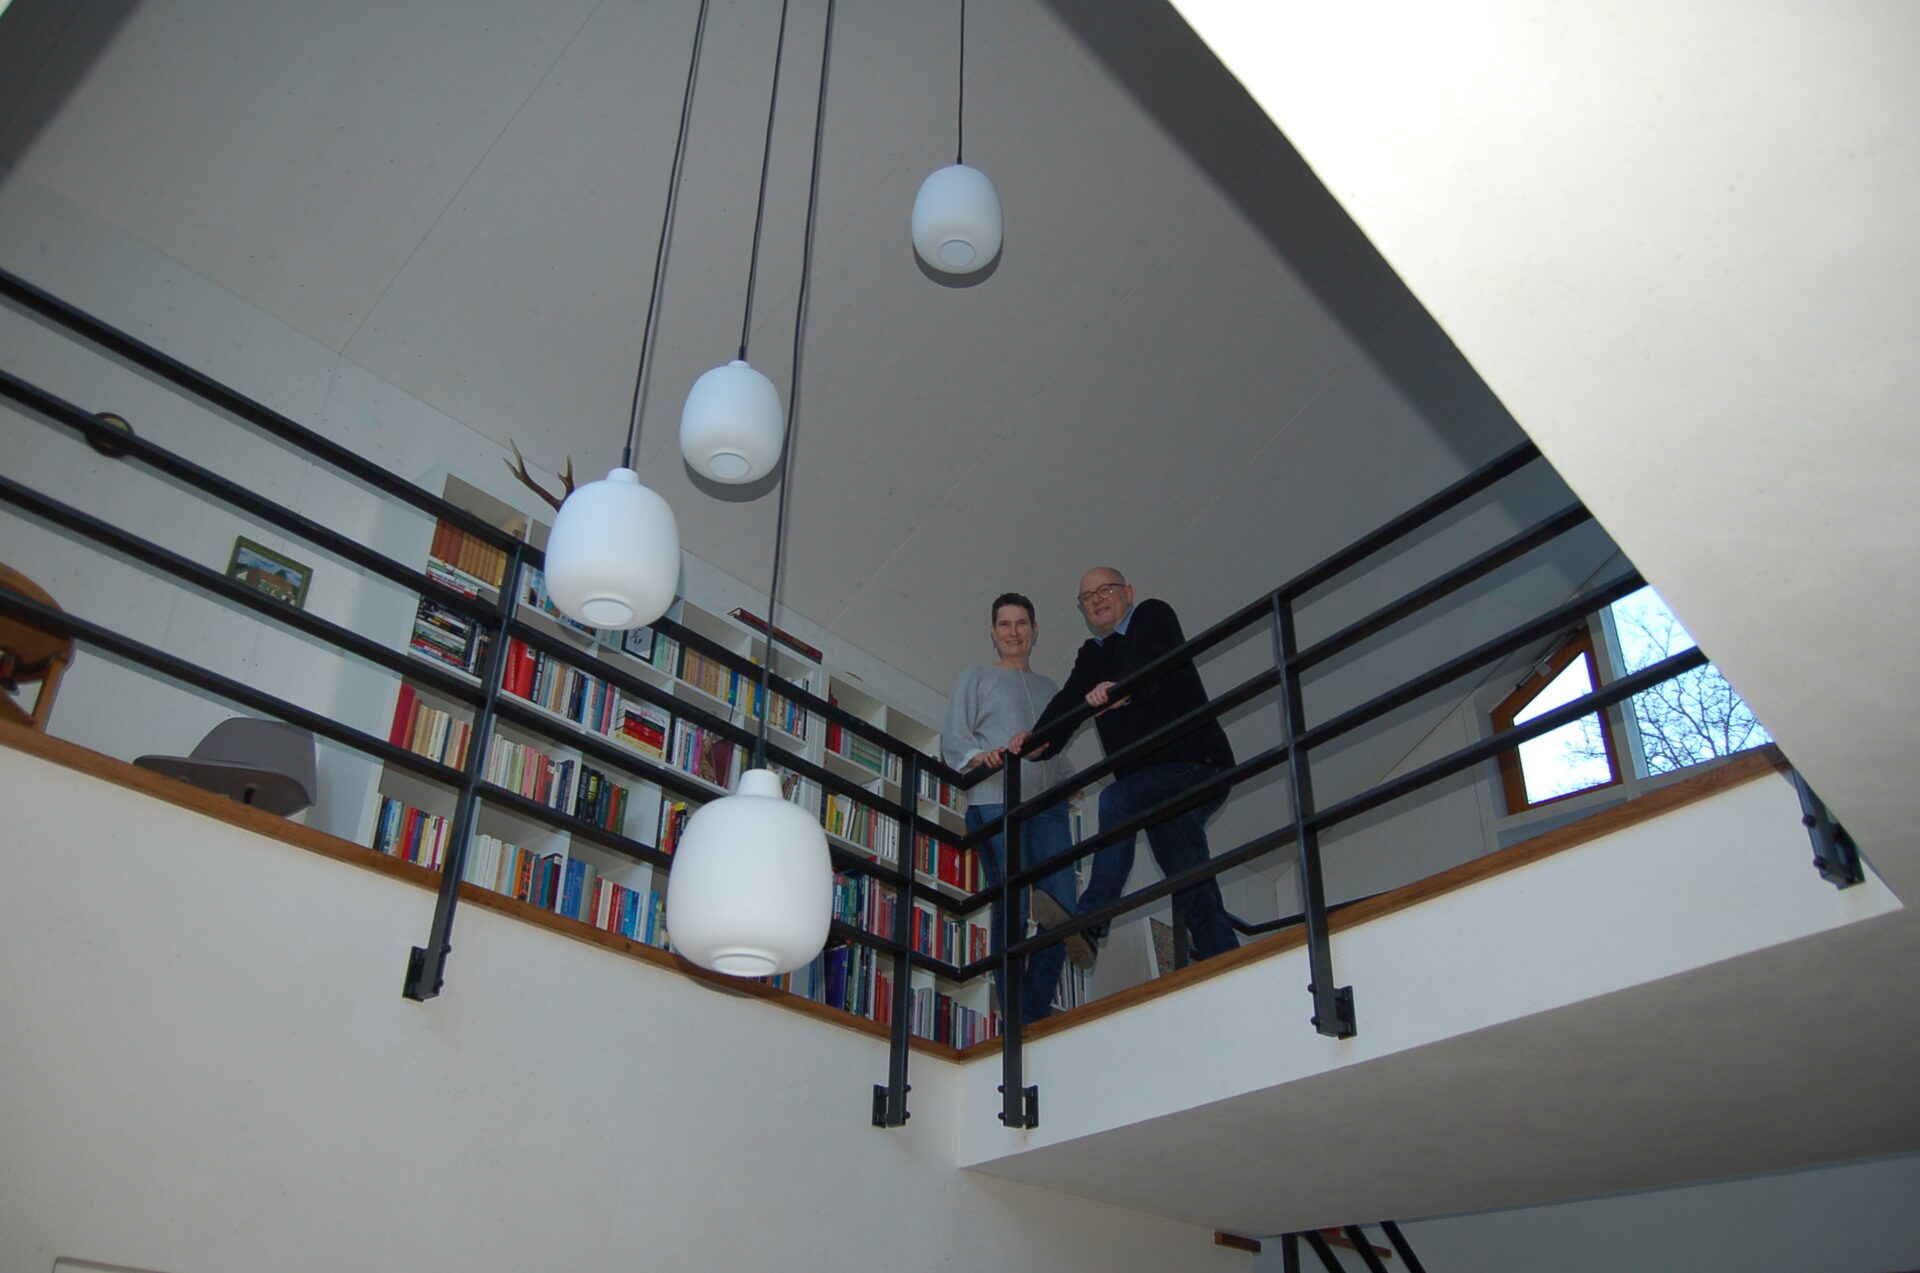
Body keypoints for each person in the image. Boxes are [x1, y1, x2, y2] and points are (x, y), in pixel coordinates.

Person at [1013, 567, 1239, 964]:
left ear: (1128, 593)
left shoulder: (1152, 614)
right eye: (1088, 596)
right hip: (1151, 788)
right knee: (1188, 878)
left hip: (1197, 764)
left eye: (1106, 589)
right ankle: (1225, 960)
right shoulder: (1093, 655)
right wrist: (1036, 741)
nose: (1097, 599)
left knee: (1115, 799)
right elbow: (1068, 702)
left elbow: (1151, 662)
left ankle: (1091, 919)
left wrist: (1124, 690)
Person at [943, 592, 1081, 1024]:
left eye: (1022, 623)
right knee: (1013, 902)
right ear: (993, 632)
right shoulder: (976, 675)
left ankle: (1030, 1016)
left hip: (1048, 806)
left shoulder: (1050, 688)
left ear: (1035, 630)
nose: (1014, 632)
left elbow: (1056, 744)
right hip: (996, 799)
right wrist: (977, 758)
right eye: (1005, 624)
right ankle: (1018, 1020)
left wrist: (1068, 779)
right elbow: (955, 737)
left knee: (1063, 908)